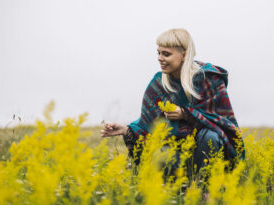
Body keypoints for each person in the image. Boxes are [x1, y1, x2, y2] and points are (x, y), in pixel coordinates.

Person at [101, 28, 245, 174]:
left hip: (208, 153)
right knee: (160, 156)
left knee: (210, 136)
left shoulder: (209, 79)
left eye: (166, 54)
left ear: (183, 55)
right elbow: (147, 126)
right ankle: (173, 190)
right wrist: (126, 130)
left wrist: (185, 114)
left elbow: (223, 124)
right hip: (176, 155)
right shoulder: (158, 83)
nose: (160, 58)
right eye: (158, 53)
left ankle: (206, 189)